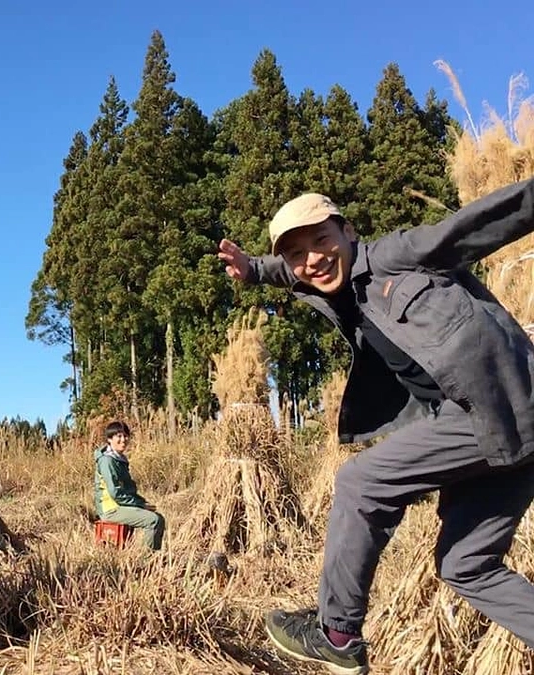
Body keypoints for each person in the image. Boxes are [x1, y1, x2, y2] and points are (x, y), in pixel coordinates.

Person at [218, 179, 534, 675]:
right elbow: (290, 267)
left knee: (360, 482)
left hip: (497, 407)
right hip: (501, 439)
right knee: (465, 565)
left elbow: (479, 223)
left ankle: (337, 634)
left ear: (348, 231)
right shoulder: (327, 283)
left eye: (322, 241)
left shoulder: (398, 255)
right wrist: (254, 269)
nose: (313, 260)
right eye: (298, 254)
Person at [93, 420, 165, 551]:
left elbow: (128, 489)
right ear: (110, 439)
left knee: (159, 518)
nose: (123, 440)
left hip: (120, 506)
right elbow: (115, 493)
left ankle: (154, 558)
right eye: (118, 436)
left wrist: (142, 502)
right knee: (153, 520)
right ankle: (146, 561)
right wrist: (140, 505)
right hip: (111, 509)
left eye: (125, 436)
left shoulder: (120, 459)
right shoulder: (107, 460)